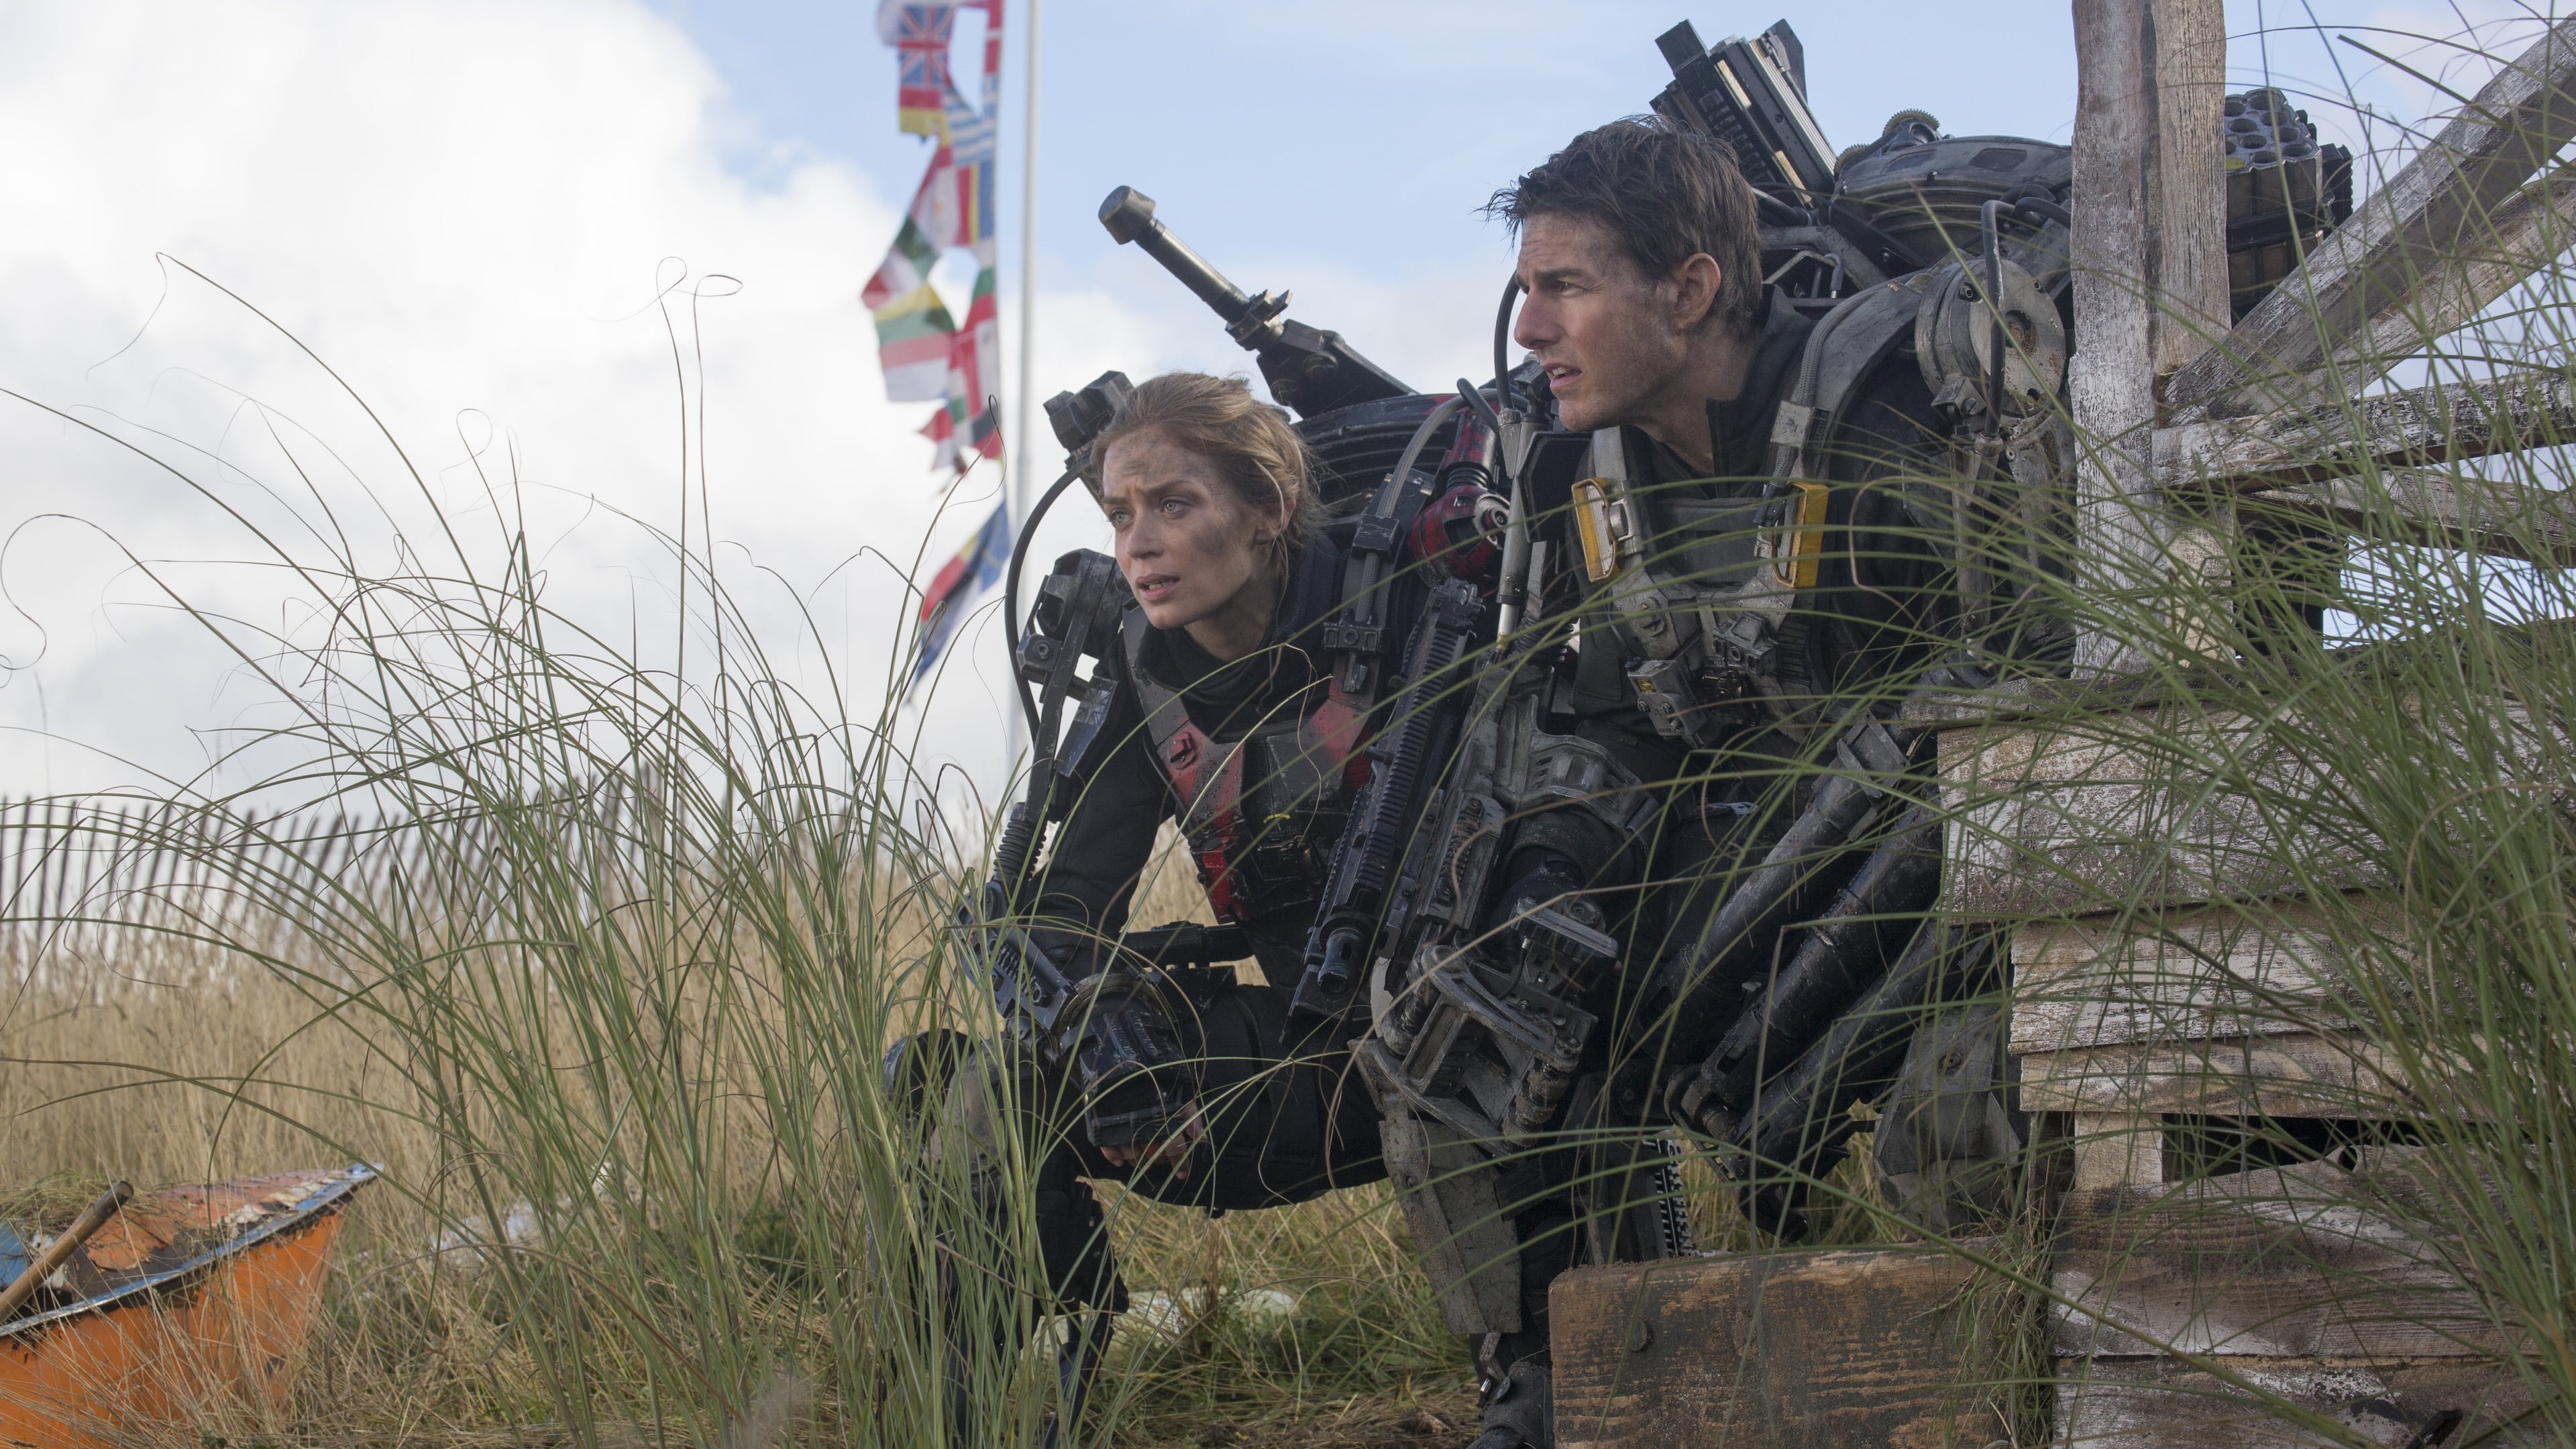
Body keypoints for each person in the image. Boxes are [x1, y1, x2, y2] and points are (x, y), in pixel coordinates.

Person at [1372, 116, 1957, 1449]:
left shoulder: (1889, 415)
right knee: (1463, 1034)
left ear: (1690, 289)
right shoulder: (1573, 470)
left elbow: (2009, 716)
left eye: (1565, 286)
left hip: (1939, 900)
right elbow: (1595, 728)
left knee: (1961, 1115)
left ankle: (1981, 1379)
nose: (1530, 328)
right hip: (1727, 872)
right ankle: (1557, 1379)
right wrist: (1547, 904)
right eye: (1525, 288)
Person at [932, 369, 1498, 1440]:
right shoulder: (1145, 674)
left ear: (1268, 509)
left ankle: (1544, 1387)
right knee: (984, 1097)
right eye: (1120, 514)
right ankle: (962, 1417)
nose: (1138, 544)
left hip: (1495, 1039)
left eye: (1174, 505)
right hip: (1316, 1057)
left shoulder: (1420, 599)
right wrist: (1109, 1046)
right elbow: (1062, 911)